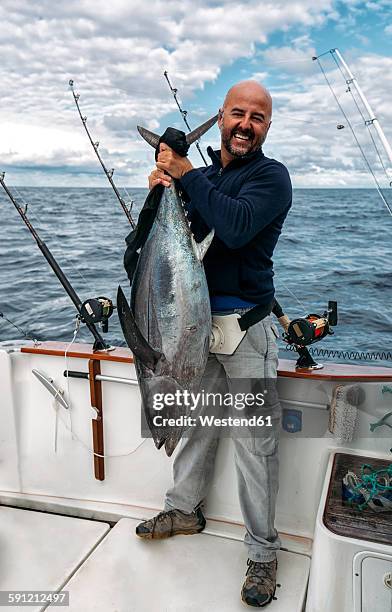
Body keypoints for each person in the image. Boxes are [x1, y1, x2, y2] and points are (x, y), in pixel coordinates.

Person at [135, 80, 292, 608]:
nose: (247, 124)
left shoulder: (271, 178)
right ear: (221, 118)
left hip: (246, 331)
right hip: (187, 333)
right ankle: (184, 509)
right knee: (194, 426)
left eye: (258, 118)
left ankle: (263, 555)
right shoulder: (197, 180)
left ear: (267, 127)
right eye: (238, 114)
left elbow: (237, 225)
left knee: (255, 447)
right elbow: (144, 255)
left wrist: (185, 173)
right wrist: (161, 185)